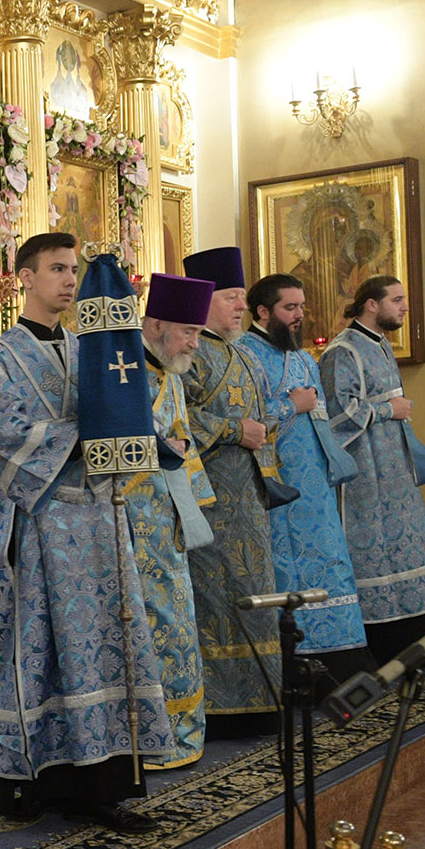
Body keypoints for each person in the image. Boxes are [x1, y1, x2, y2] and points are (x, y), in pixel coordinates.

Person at [0, 235, 171, 833]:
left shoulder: (97, 346)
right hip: (40, 525)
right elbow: (4, 433)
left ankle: (100, 782)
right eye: (55, 269)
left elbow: (130, 404)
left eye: (72, 270)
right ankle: (30, 780)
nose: (67, 280)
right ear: (24, 277)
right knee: (38, 647)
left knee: (106, 645)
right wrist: (82, 437)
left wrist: (141, 433)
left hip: (101, 521)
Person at [321, 275, 425, 662]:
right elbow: (338, 413)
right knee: (374, 551)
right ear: (371, 304)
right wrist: (387, 410)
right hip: (365, 473)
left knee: (409, 546)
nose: (404, 307)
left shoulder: (379, 345)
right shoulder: (342, 352)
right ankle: (384, 644)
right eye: (396, 299)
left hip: (395, 468)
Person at [247, 274, 374, 682]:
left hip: (316, 485)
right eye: (290, 308)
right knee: (288, 570)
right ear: (264, 312)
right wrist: (289, 406)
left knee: (331, 564)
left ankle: (344, 659)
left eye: (301, 306)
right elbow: (241, 424)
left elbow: (320, 417)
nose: (300, 315)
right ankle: (299, 660)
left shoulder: (303, 358)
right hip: (277, 485)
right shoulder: (244, 355)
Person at [179, 247, 286, 723]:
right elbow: (174, 418)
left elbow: (265, 413)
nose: (241, 306)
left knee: (256, 595)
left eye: (243, 297)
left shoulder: (244, 355)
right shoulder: (190, 353)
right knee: (217, 598)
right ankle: (224, 708)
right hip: (210, 504)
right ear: (204, 302)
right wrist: (231, 430)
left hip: (251, 501)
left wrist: (264, 429)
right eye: (231, 297)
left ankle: (263, 700)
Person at [130, 271, 218, 768]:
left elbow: (184, 444)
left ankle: (182, 733)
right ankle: (151, 737)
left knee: (178, 623)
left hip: (169, 521)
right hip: (132, 520)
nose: (194, 344)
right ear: (156, 323)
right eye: (189, 332)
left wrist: (195, 513)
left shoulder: (171, 374)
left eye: (199, 334)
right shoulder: (122, 371)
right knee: (148, 624)